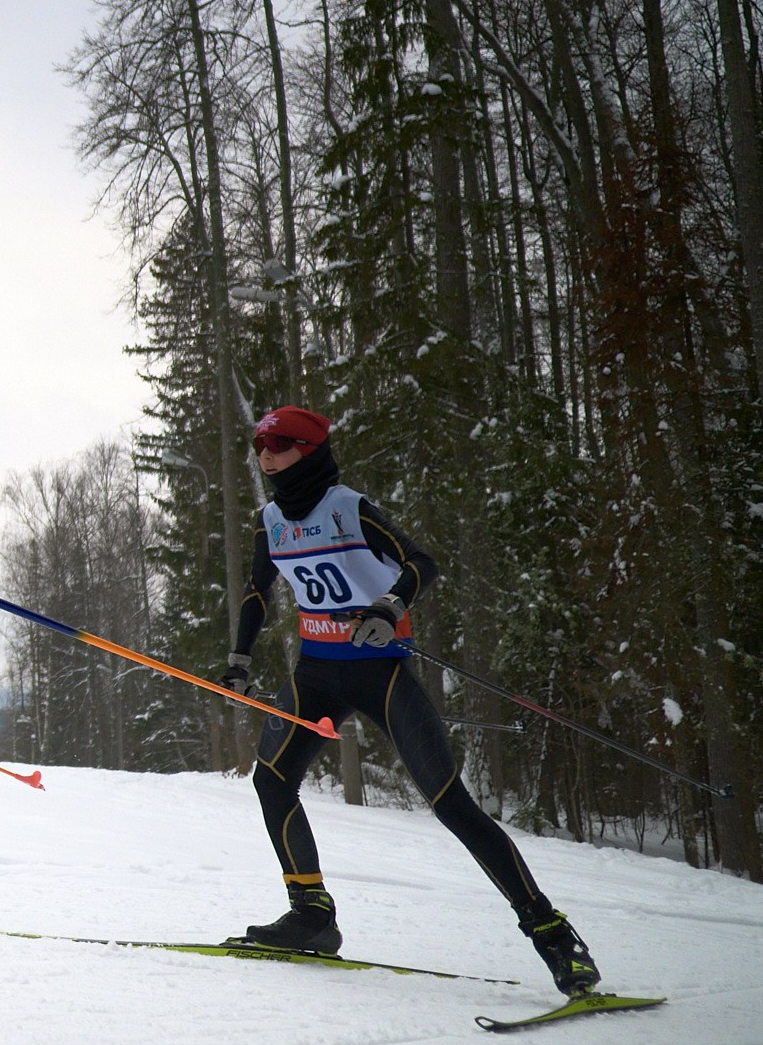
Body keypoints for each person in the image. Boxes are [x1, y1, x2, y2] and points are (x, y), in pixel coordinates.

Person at [228, 406, 601, 996]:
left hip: (381, 672)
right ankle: (311, 915)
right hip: (316, 674)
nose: (266, 454)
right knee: (271, 779)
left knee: (451, 803)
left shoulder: (348, 507)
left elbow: (420, 562)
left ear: (310, 449)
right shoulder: (270, 519)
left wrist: (389, 608)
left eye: (279, 444)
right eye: (260, 445)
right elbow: (256, 589)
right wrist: (240, 660)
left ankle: (555, 936)